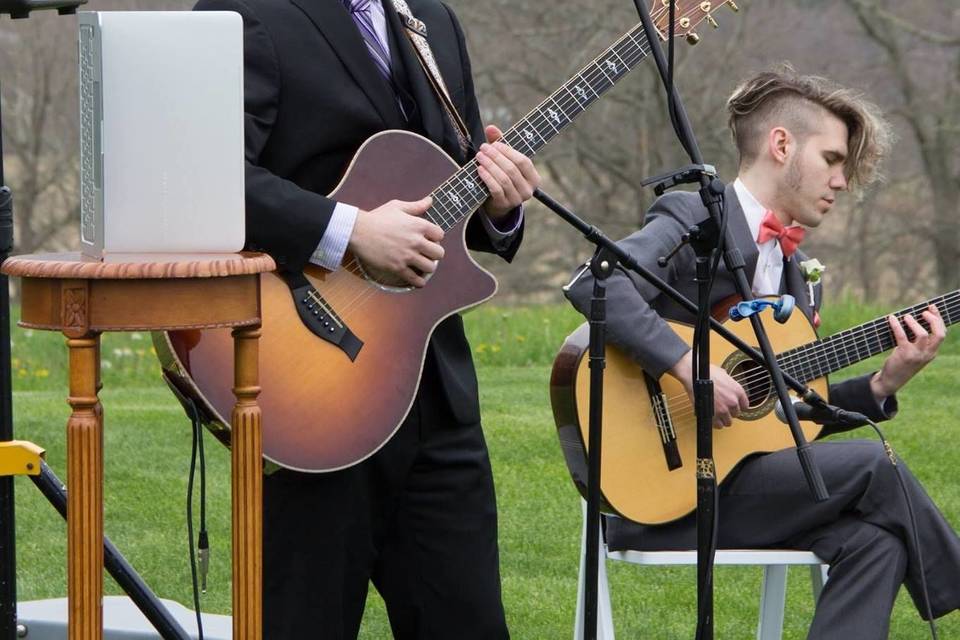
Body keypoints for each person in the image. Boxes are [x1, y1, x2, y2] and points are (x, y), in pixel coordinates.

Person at [564, 67, 960, 638]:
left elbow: (785, 414)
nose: (843, 181)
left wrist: (881, 386)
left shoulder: (797, 272)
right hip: (662, 489)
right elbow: (595, 283)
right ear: (782, 144)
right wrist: (687, 365)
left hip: (744, 484)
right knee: (875, 464)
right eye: (832, 160)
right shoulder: (694, 217)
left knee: (874, 542)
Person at [193, 0, 541, 637]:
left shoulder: (431, 18)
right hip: (309, 392)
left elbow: (443, 184)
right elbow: (204, 174)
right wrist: (347, 232)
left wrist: (499, 208)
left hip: (436, 396)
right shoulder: (246, 12)